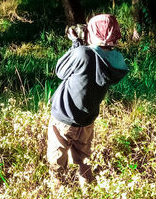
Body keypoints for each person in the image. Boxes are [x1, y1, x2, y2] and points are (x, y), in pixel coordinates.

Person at [47, 14, 128, 188]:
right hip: (87, 120)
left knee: (56, 162)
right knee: (84, 161)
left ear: (94, 33)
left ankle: (59, 195)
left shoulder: (83, 53)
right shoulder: (117, 60)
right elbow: (94, 59)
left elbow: (60, 70)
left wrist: (76, 44)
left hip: (63, 118)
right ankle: (88, 194)